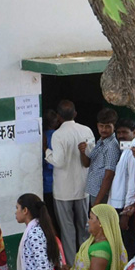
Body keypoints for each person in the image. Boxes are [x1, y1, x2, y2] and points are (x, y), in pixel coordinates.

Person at [47, 100, 95, 261]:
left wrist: (47, 152)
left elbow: (58, 161)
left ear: (59, 117)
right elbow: (91, 157)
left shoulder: (58, 135)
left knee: (67, 230)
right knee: (84, 228)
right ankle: (85, 261)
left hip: (63, 190)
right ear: (75, 114)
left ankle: (73, 264)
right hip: (83, 188)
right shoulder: (86, 130)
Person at [82, 108, 120, 207]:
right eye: (101, 126)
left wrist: (97, 202)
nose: (103, 130)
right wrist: (82, 152)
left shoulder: (111, 147)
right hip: (94, 191)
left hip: (101, 194)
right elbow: (87, 164)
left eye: (107, 127)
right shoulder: (101, 141)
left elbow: (108, 176)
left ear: (114, 127)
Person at [43, 110, 60, 227]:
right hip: (53, 184)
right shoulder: (56, 137)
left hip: (44, 183)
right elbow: (53, 164)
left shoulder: (42, 136)